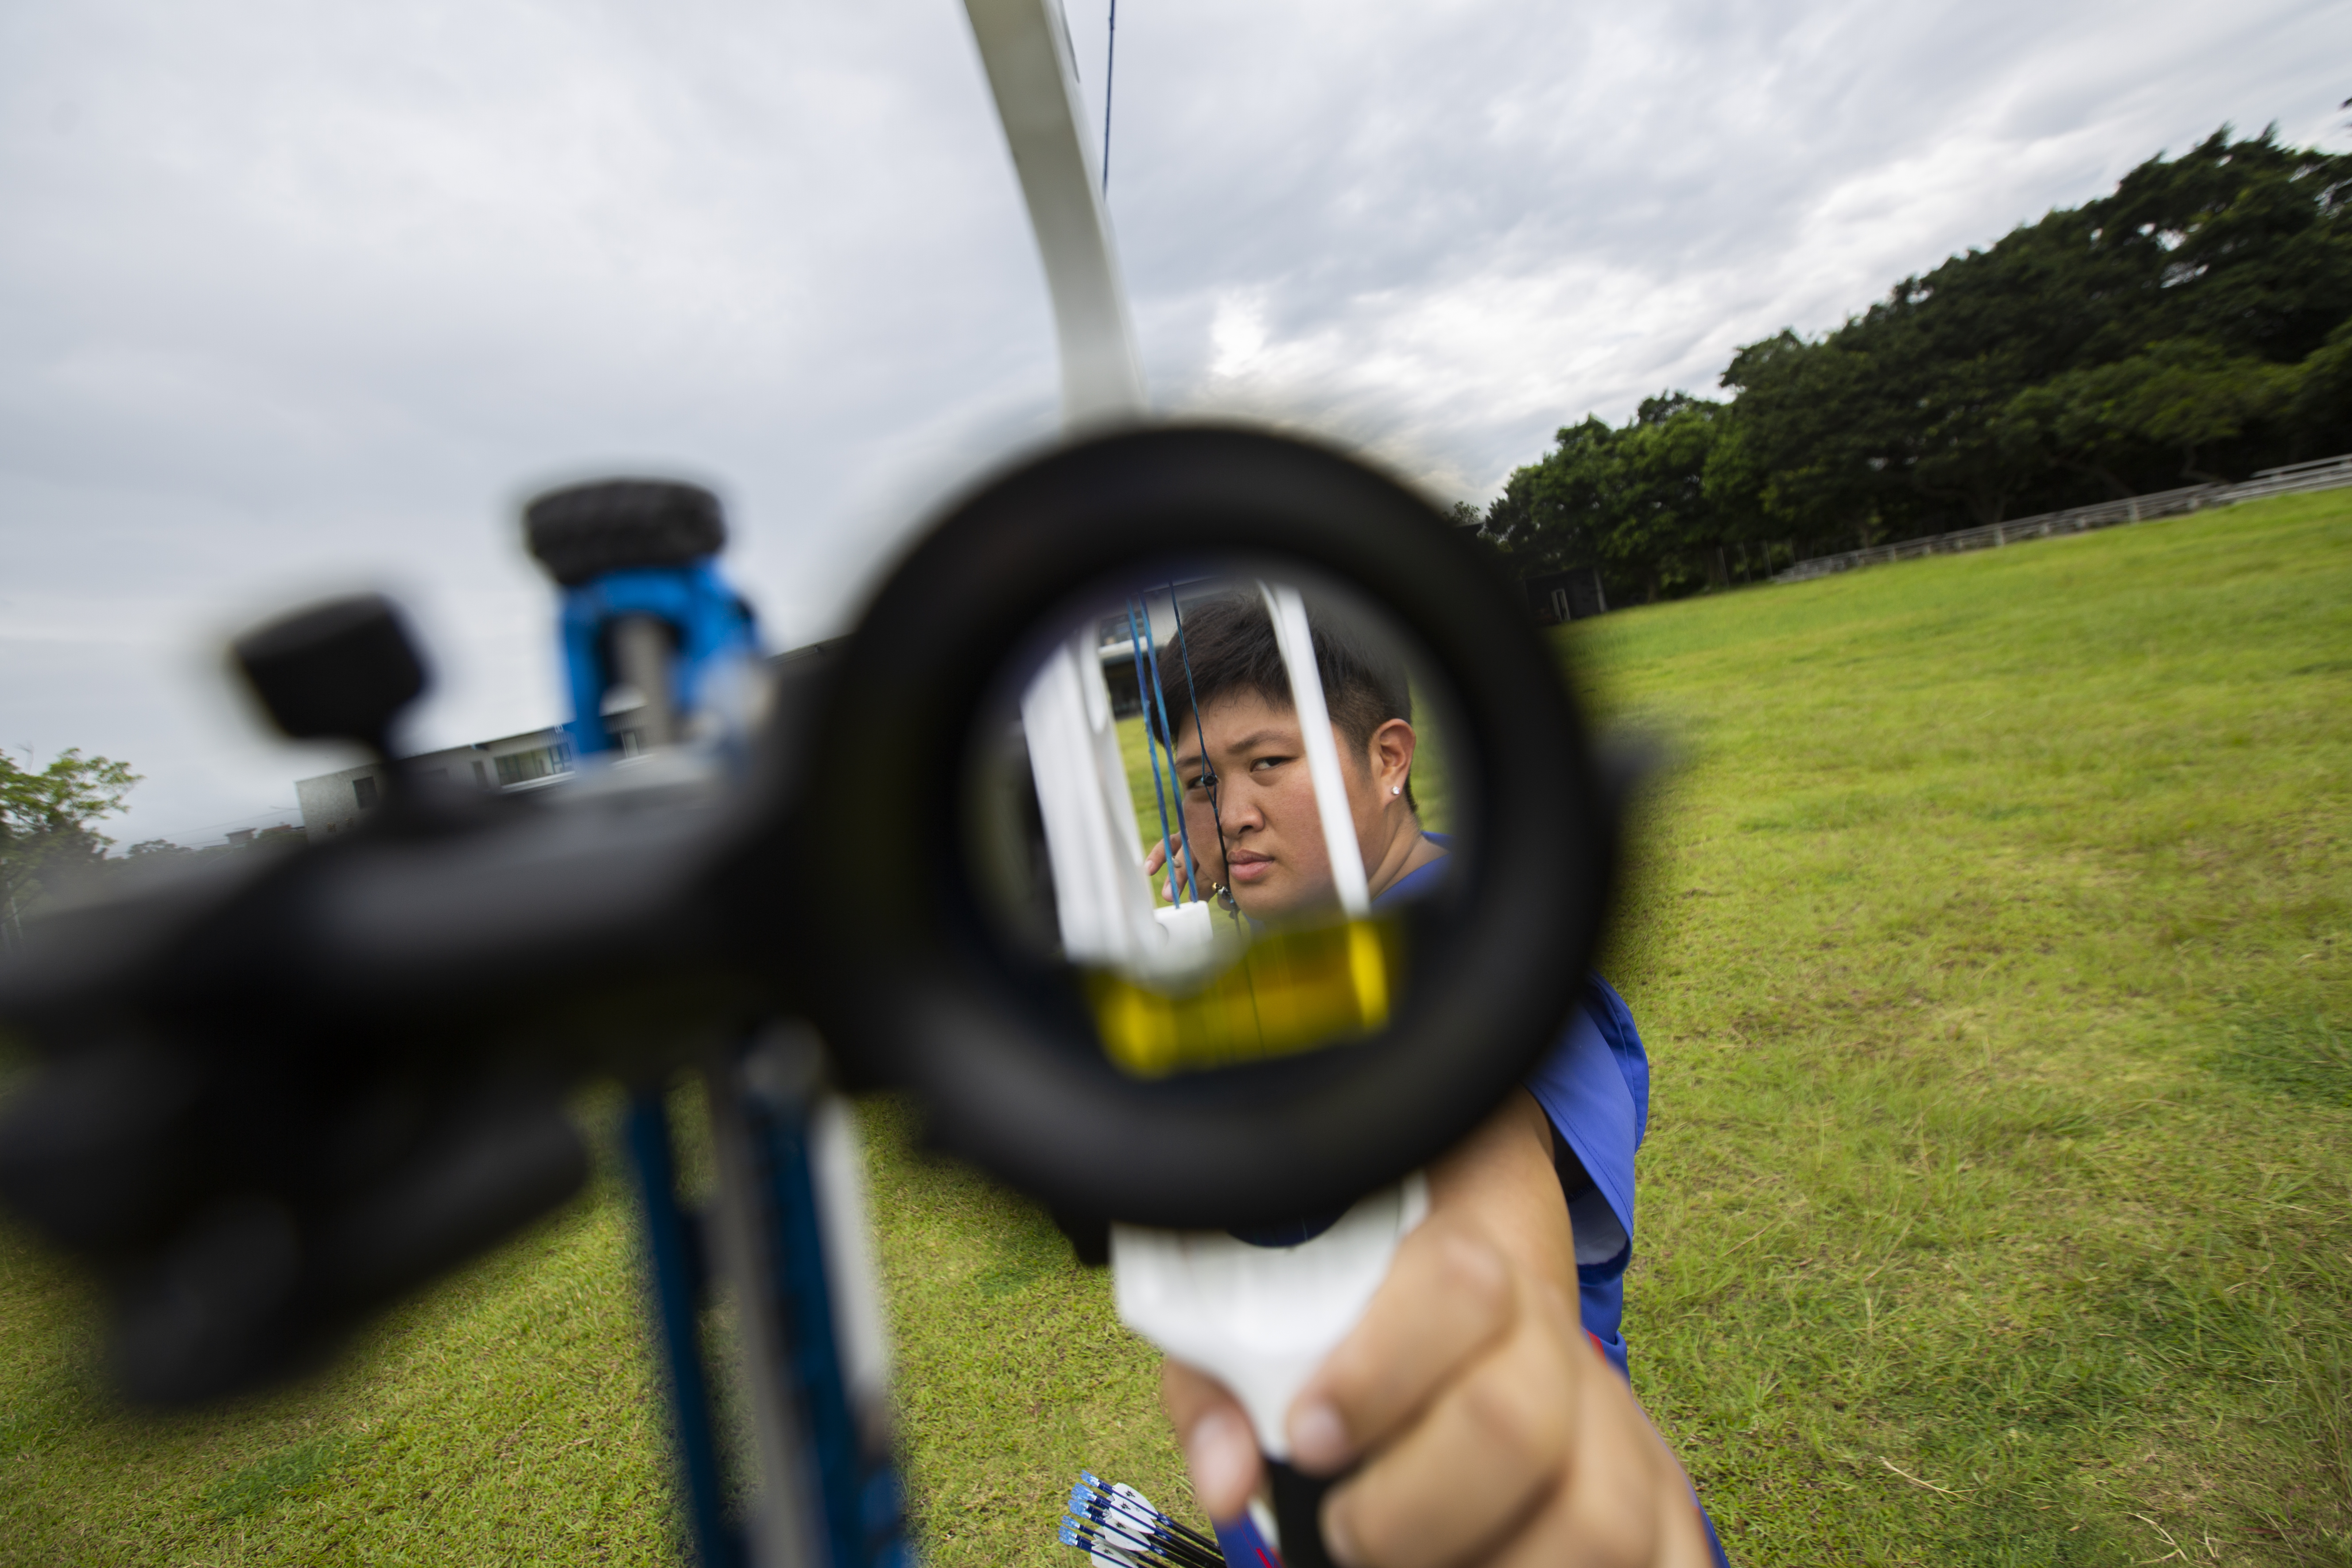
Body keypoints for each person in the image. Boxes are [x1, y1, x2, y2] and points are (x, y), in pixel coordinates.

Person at [1136, 593, 1730, 1568]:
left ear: (1387, 760)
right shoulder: (1349, 946)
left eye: (1268, 765)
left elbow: (1499, 1294)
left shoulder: (1469, 988)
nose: (1233, 814)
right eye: (1200, 782)